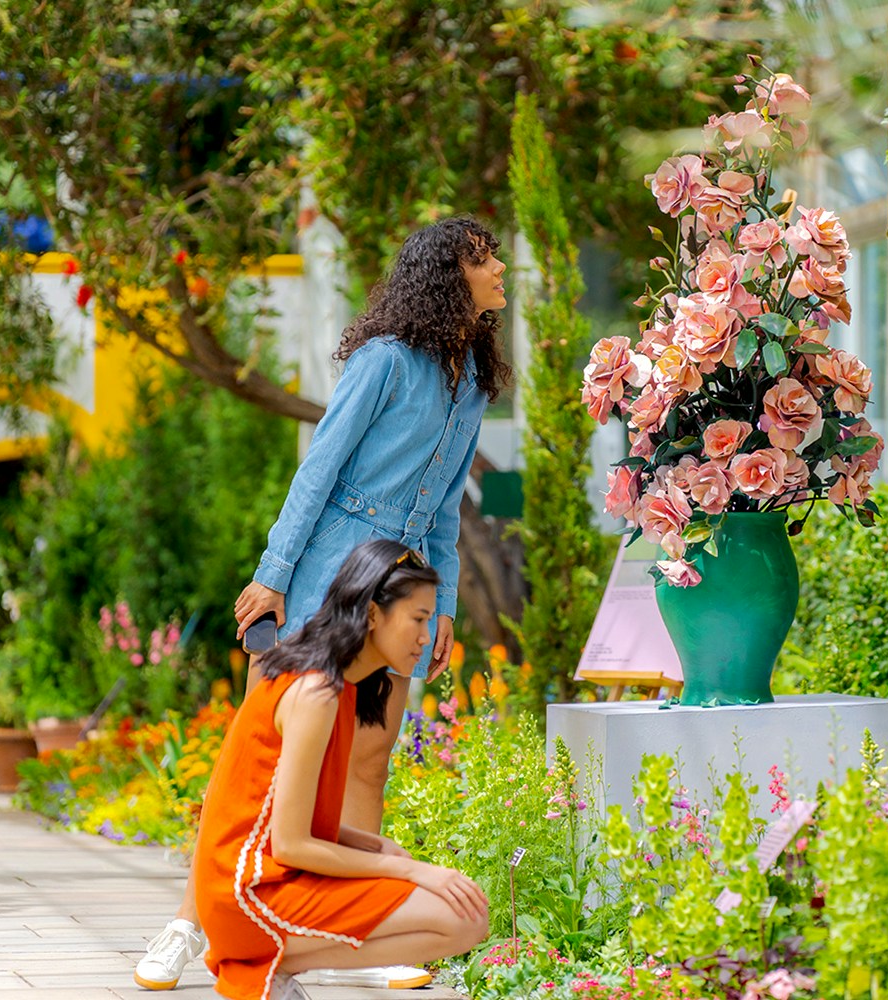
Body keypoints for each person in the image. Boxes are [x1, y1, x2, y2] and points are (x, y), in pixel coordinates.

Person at [135, 216, 510, 992]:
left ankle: (351, 918)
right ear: (449, 274)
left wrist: (438, 610)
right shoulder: (384, 363)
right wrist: (274, 575)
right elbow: (320, 471)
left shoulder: (473, 379)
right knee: (256, 755)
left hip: (399, 581)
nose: (501, 267)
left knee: (368, 753)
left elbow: (443, 509)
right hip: (324, 574)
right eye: (485, 258)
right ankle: (187, 924)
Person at [191, 539, 490, 1000]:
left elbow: (288, 820)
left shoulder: (339, 684)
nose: (426, 637)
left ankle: (270, 973)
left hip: (249, 885)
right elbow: (291, 845)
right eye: (417, 619)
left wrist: (375, 845)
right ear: (372, 615)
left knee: (462, 912)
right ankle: (261, 968)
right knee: (461, 917)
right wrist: (417, 873)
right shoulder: (316, 693)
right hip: (246, 896)